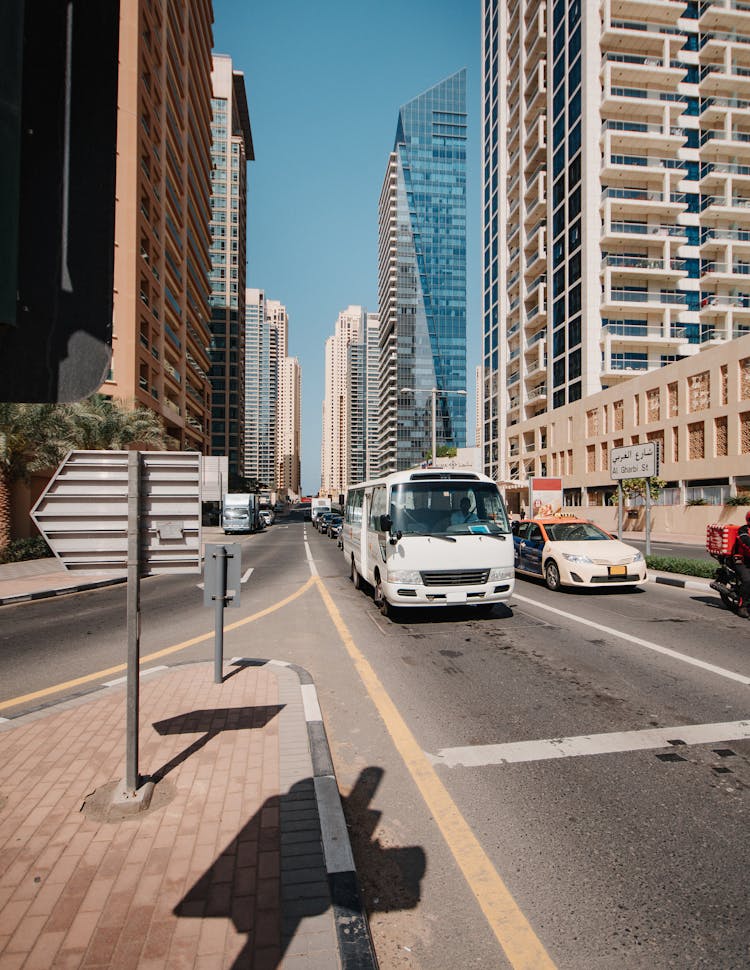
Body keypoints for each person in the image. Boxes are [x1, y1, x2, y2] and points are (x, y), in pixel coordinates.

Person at [732, 510, 750, 618]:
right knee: (748, 580)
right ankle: (742, 606)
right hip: (740, 560)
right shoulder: (743, 530)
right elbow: (746, 542)